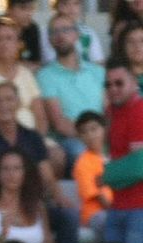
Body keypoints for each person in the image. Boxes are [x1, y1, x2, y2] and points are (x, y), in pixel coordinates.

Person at [40, 13, 104, 168]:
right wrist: (90, 137)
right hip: (71, 138)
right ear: (49, 40)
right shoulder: (45, 75)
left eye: (66, 30)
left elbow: (109, 110)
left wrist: (101, 136)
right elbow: (59, 123)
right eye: (54, 32)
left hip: (103, 134)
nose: (60, 35)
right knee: (80, 152)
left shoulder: (98, 71)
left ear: (77, 35)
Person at [103, 65, 143, 243]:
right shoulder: (109, 113)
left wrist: (108, 175)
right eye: (108, 84)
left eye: (119, 83)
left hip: (139, 208)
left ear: (134, 83)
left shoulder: (140, 110)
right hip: (117, 205)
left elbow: (139, 167)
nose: (113, 89)